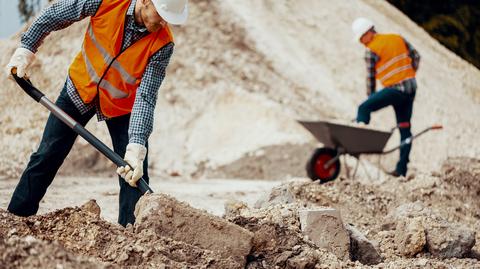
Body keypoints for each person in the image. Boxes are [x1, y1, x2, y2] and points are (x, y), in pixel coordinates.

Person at [4, 0, 188, 227]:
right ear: (144, 1)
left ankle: (132, 239)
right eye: (161, 14)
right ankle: (15, 220)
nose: (163, 22)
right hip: (79, 89)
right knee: (47, 153)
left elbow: (146, 96)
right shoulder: (107, 2)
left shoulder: (163, 44)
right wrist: (26, 49)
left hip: (122, 105)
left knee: (133, 173)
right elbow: (55, 14)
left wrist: (137, 146)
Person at [351, 17, 420, 177]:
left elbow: (370, 79)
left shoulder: (371, 50)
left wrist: (371, 98)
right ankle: (401, 170)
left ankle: (357, 140)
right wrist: (408, 75)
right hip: (410, 89)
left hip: (395, 90)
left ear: (368, 33)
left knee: (363, 108)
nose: (362, 42)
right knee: (404, 128)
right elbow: (416, 57)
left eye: (361, 38)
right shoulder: (397, 38)